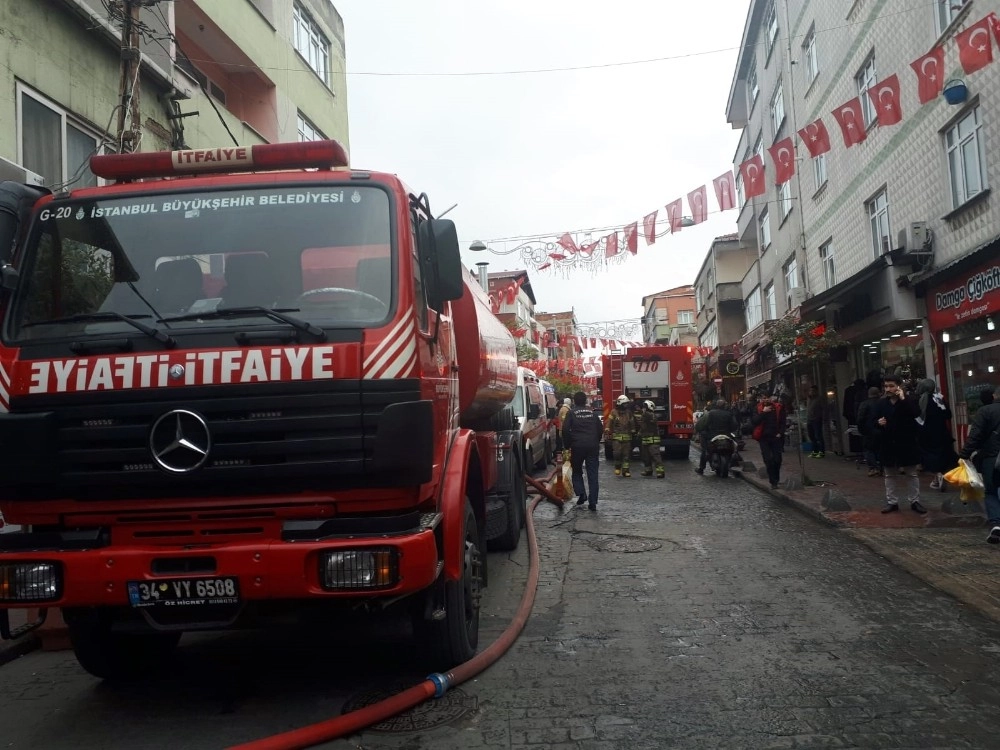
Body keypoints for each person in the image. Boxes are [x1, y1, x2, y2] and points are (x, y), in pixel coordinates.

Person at [872, 374, 927, 514]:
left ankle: (915, 501)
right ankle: (892, 502)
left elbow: (916, 413)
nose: (888, 389)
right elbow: (872, 421)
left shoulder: (909, 400)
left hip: (907, 443)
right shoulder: (881, 403)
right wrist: (878, 423)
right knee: (889, 475)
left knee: (911, 474)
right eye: (886, 386)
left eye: (891, 386)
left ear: (899, 386)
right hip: (888, 443)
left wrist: (903, 399)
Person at [958, 385, 1000, 543]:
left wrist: (965, 453)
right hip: (993, 455)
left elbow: (976, 435)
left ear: (995, 396)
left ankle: (996, 523)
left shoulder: (985, 411)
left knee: (991, 490)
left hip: (992, 457)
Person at [562, 391, 604, 511]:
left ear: (574, 401)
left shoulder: (571, 413)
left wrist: (567, 445)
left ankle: (581, 493)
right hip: (592, 446)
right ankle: (593, 502)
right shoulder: (593, 413)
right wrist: (596, 441)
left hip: (577, 446)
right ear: (586, 401)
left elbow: (565, 430)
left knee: (576, 471)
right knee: (593, 474)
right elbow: (600, 429)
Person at [915, 379, 956, 491]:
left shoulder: (921, 400)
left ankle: (937, 475)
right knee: (942, 454)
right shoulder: (939, 398)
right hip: (941, 431)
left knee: (930, 455)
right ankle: (940, 475)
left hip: (926, 433)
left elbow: (916, 416)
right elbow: (948, 414)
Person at [695, 399, 740, 475]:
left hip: (712, 436)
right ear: (724, 406)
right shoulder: (729, 414)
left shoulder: (711, 413)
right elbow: (734, 426)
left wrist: (701, 430)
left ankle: (701, 468)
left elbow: (703, 424)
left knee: (705, 450)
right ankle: (735, 460)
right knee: (735, 446)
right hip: (726, 435)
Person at [752, 393, 785, 489]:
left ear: (772, 398)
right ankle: (773, 481)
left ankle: (776, 478)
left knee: (777, 459)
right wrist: (763, 412)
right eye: (763, 398)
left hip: (776, 437)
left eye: (767, 397)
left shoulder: (778, 407)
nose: (765, 400)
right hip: (763, 438)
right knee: (768, 459)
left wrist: (781, 433)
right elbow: (754, 421)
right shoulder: (758, 408)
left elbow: (783, 421)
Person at [605, 394, 638, 477]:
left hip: (627, 437)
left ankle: (626, 470)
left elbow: (632, 422)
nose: (626, 405)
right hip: (617, 438)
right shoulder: (613, 412)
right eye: (625, 404)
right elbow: (609, 421)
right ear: (620, 403)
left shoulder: (629, 413)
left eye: (627, 404)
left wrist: (633, 430)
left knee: (626, 455)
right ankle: (617, 467)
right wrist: (607, 429)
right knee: (617, 454)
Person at [855, 386, 883, 477]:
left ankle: (873, 468)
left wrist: (861, 429)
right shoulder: (883, 403)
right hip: (881, 429)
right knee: (880, 449)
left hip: (868, 430)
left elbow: (860, 418)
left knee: (868, 449)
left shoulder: (864, 404)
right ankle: (882, 468)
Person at [636, 400, 665, 478]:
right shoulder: (646, 415)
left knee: (656, 456)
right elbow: (643, 427)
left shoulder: (649, 415)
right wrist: (639, 433)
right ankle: (648, 470)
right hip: (645, 440)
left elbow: (644, 423)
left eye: (644, 407)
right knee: (646, 456)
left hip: (653, 441)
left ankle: (660, 472)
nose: (643, 409)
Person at [806, 385, 826, 458]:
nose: (811, 392)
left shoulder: (820, 399)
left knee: (818, 436)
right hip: (809, 420)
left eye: (813, 391)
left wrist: (823, 418)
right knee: (811, 436)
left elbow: (824, 409)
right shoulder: (809, 399)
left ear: (816, 391)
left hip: (817, 419)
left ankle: (821, 452)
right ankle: (815, 451)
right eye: (810, 391)